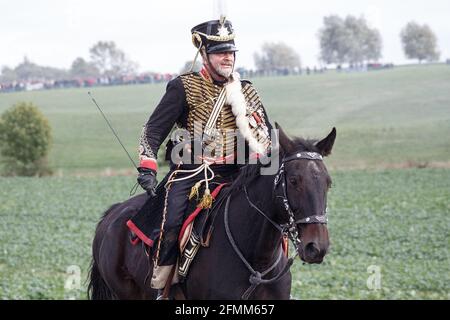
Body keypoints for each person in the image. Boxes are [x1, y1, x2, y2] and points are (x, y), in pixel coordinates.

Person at [135, 16, 273, 299]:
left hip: (239, 173)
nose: (228, 58)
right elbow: (152, 131)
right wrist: (147, 166)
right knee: (172, 223)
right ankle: (165, 287)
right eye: (220, 52)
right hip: (194, 173)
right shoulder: (183, 87)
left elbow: (266, 137)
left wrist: (272, 168)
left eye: (231, 51)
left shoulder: (246, 91)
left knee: (273, 216)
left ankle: (274, 281)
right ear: (204, 54)